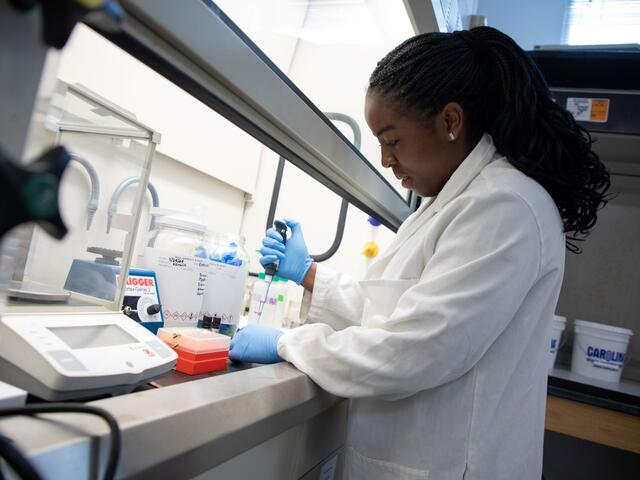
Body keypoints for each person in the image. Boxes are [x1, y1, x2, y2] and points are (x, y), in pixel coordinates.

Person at [229, 26, 610, 479]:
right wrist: (310, 274)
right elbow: (400, 311)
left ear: (450, 121)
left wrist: (288, 343)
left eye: (392, 140)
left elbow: (420, 347)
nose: (386, 160)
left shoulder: (504, 205)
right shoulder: (456, 200)